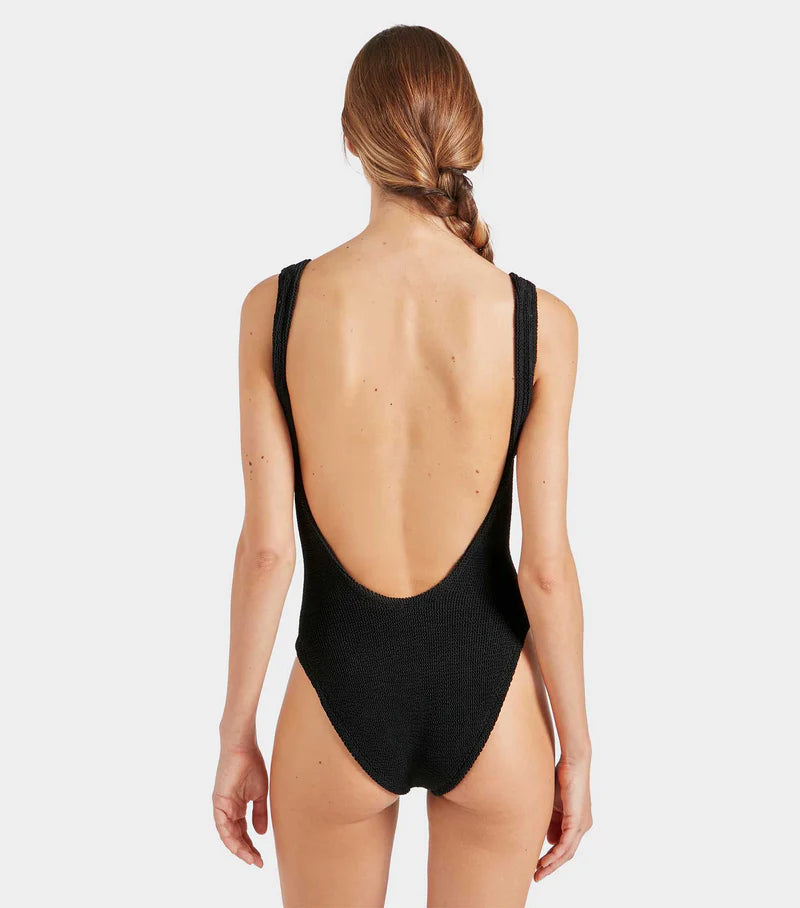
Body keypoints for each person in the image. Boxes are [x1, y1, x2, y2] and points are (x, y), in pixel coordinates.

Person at [213, 24, 592, 906]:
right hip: (492, 698)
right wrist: (575, 748)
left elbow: (267, 552)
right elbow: (544, 567)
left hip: (338, 691)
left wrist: (237, 732)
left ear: (353, 137)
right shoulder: (540, 322)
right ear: (468, 136)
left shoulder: (277, 309)